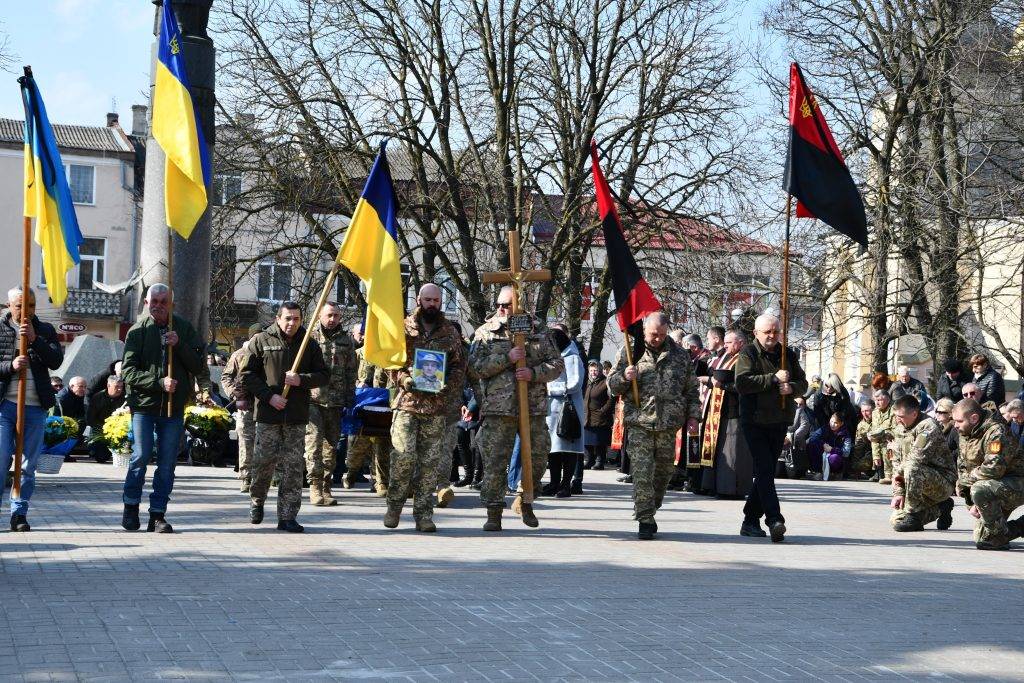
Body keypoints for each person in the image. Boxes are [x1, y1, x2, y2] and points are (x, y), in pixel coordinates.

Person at [468, 286, 563, 531]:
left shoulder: (539, 329)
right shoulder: (486, 332)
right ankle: (493, 512)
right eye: (499, 303)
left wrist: (534, 373)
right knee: (495, 461)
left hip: (532, 407)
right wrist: (506, 359)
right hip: (499, 409)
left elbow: (556, 364)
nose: (500, 308)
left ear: (519, 305)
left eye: (506, 305)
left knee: (538, 455)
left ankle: (526, 500)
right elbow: (474, 368)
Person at [120, 284, 207, 534]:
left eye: (163, 301)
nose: (158, 305)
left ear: (171, 304)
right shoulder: (137, 332)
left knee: (168, 463)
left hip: (173, 408)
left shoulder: (184, 328)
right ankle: (131, 505)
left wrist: (179, 345)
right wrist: (158, 383)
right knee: (141, 456)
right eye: (154, 301)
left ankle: (157, 514)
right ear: (146, 303)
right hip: (144, 407)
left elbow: (198, 364)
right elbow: (128, 372)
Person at [607, 312, 699, 540]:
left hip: (669, 425)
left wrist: (693, 417)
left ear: (667, 331)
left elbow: (691, 389)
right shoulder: (631, 352)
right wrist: (624, 378)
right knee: (642, 473)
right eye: (652, 334)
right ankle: (645, 519)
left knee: (663, 474)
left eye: (660, 334)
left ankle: (652, 507)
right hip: (640, 423)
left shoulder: (680, 355)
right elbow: (612, 385)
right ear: (645, 331)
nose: (656, 338)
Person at [239, 302, 328, 533]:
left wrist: (302, 379)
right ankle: (257, 500)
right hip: (269, 414)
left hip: (296, 415)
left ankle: (287, 516)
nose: (292, 323)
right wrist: (270, 397)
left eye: (296, 319)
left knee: (293, 467)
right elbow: (247, 375)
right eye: (288, 318)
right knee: (264, 463)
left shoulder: (308, 343)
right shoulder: (261, 341)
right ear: (278, 318)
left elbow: (324, 375)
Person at [385, 284, 466, 532]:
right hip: (407, 405)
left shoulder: (450, 332)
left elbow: (459, 366)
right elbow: (389, 362)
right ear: (419, 299)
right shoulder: (402, 327)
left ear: (441, 302)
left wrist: (448, 387)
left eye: (436, 300)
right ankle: (394, 507)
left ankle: (423, 514)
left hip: (436, 408)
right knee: (403, 458)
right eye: (427, 299)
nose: (432, 304)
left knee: (430, 464)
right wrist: (404, 380)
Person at [734, 313, 808, 542]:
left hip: (778, 420)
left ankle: (749, 520)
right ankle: (775, 519)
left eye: (776, 331)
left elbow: (802, 383)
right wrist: (773, 379)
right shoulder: (748, 353)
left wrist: (792, 388)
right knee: (765, 469)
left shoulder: (788, 354)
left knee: (765, 472)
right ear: (756, 333)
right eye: (768, 332)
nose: (772, 336)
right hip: (754, 420)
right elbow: (742, 383)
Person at [0, 287, 63, 532]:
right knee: (2, 459)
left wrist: (35, 340)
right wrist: (10, 365)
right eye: (20, 306)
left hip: (35, 406)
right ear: (9, 305)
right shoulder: (1, 329)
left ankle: (19, 512)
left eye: (32, 306)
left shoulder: (44, 330)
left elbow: (56, 361)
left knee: (28, 465)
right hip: (5, 406)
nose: (26, 311)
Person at [304, 302, 357, 507]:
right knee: (314, 444)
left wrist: (350, 396)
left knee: (331, 447)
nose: (332, 319)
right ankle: (315, 487)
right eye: (329, 315)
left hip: (335, 401)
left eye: (336, 315)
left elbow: (351, 370)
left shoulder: (346, 340)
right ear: (320, 316)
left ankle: (326, 486)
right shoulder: (310, 337)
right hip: (313, 399)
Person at [952, 398, 1024, 549]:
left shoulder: (997, 431)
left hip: (1017, 482)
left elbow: (993, 468)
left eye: (959, 421)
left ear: (974, 418)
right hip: (994, 485)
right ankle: (1017, 527)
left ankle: (999, 536)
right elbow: (963, 466)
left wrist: (965, 482)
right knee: (983, 537)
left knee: (980, 489)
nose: (955, 425)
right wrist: (971, 502)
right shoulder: (965, 432)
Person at [888, 395, 956, 532]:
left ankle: (913, 515)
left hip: (942, 481)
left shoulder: (928, 427)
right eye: (896, 416)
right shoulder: (900, 428)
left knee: (912, 466)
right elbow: (896, 463)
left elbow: (915, 460)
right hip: (916, 482)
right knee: (896, 520)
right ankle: (941, 507)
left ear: (914, 414)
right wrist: (898, 492)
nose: (897, 420)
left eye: (900, 416)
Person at [698, 329, 751, 497]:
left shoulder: (745, 359)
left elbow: (745, 386)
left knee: (732, 452)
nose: (726, 346)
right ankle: (715, 486)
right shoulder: (727, 357)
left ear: (740, 343)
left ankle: (731, 489)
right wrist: (712, 381)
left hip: (735, 411)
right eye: (725, 342)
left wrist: (723, 385)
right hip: (719, 410)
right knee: (719, 450)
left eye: (729, 343)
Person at [344, 341, 392, 494]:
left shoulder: (399, 351)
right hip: (368, 401)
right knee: (360, 442)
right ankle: (351, 471)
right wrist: (361, 383)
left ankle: (380, 481)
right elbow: (358, 375)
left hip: (388, 399)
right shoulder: (363, 352)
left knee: (383, 441)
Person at [544, 323, 585, 498]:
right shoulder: (554, 357)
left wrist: (551, 388)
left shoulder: (573, 357)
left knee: (568, 447)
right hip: (552, 408)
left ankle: (565, 484)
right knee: (553, 448)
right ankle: (554, 482)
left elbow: (575, 383)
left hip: (568, 409)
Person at [221, 323, 262, 492]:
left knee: (264, 442)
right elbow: (226, 377)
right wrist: (234, 394)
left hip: (264, 405)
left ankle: (263, 476)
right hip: (245, 405)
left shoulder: (266, 354)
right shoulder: (239, 355)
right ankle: (246, 476)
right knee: (246, 441)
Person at [87, 375, 126, 463]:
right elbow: (91, 418)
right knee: (101, 457)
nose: (119, 389)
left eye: (121, 387)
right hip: (101, 429)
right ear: (108, 385)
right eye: (117, 386)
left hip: (120, 430)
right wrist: (105, 429)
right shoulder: (97, 397)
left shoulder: (126, 398)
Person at [583, 360, 613, 471]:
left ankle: (600, 461)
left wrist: (603, 410)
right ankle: (589, 460)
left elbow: (611, 399)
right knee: (587, 441)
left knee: (599, 441)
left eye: (595, 370)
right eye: (591, 370)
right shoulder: (586, 382)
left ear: (599, 370)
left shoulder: (605, 382)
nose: (593, 372)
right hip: (587, 416)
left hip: (600, 417)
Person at [806, 413, 853, 480]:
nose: (832, 424)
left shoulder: (846, 434)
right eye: (831, 421)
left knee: (834, 458)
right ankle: (818, 471)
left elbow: (846, 453)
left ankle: (835, 473)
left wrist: (832, 449)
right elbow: (813, 438)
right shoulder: (825, 428)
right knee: (812, 444)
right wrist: (823, 444)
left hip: (836, 458)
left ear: (841, 424)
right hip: (823, 454)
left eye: (835, 423)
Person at [868, 389, 897, 484]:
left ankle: (889, 475)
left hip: (893, 440)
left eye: (879, 400)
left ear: (888, 399)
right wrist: (876, 455)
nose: (876, 403)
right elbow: (874, 435)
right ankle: (879, 472)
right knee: (872, 438)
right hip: (879, 439)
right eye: (875, 400)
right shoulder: (875, 412)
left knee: (886, 446)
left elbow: (896, 431)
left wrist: (883, 433)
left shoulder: (895, 410)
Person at [849, 400, 874, 478]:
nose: (864, 414)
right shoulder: (861, 425)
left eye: (867, 411)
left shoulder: (878, 421)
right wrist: (855, 464)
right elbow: (858, 446)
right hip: (868, 451)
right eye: (862, 411)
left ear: (873, 410)